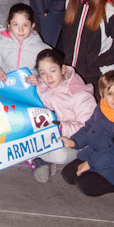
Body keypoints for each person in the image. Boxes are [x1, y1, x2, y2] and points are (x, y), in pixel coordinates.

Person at [28, 48, 97, 181]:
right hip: (48, 134)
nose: (48, 77)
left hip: (74, 141)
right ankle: (37, 157)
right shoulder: (42, 86)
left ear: (63, 69)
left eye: (53, 71)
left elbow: (89, 129)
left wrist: (60, 127)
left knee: (59, 155)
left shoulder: (80, 94)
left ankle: (36, 158)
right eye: (43, 73)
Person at [0, 4, 50, 82]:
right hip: (5, 86)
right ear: (9, 25)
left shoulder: (42, 49)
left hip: (29, 89)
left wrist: (39, 79)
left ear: (32, 26)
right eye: (16, 24)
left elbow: (49, 73)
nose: (21, 30)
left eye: (25, 25)